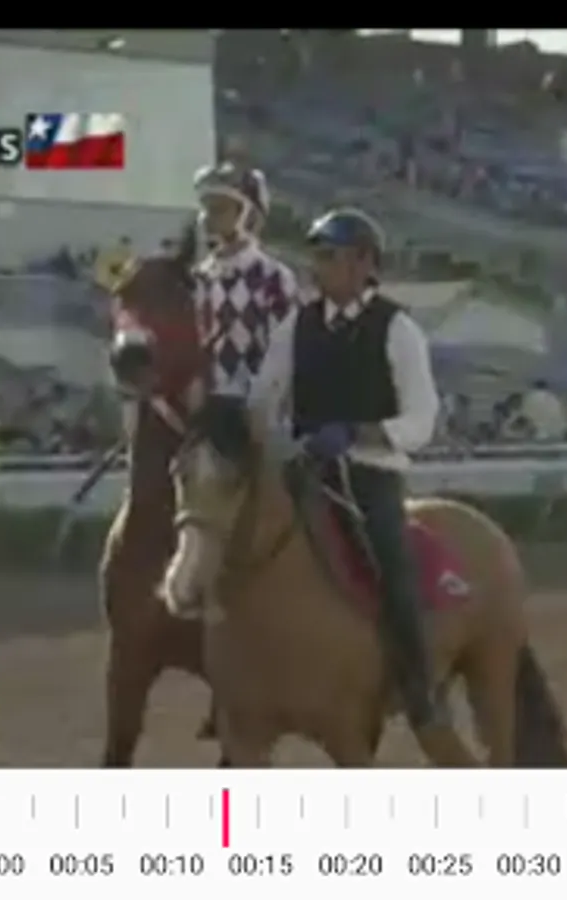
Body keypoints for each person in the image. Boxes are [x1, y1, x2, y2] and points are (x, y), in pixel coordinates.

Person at [248, 206, 447, 729]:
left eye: (329, 256)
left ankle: (418, 685)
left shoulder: (398, 328)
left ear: (364, 263)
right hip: (306, 467)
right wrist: (262, 435)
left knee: (391, 562)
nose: (318, 266)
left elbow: (422, 420)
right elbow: (263, 397)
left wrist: (359, 432)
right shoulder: (296, 325)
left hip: (369, 471)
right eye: (316, 256)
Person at [190, 161, 301, 416]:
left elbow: (285, 353)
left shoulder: (275, 278)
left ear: (249, 216)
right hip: (203, 408)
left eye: (219, 209)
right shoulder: (197, 277)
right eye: (205, 208)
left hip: (253, 410)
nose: (207, 217)